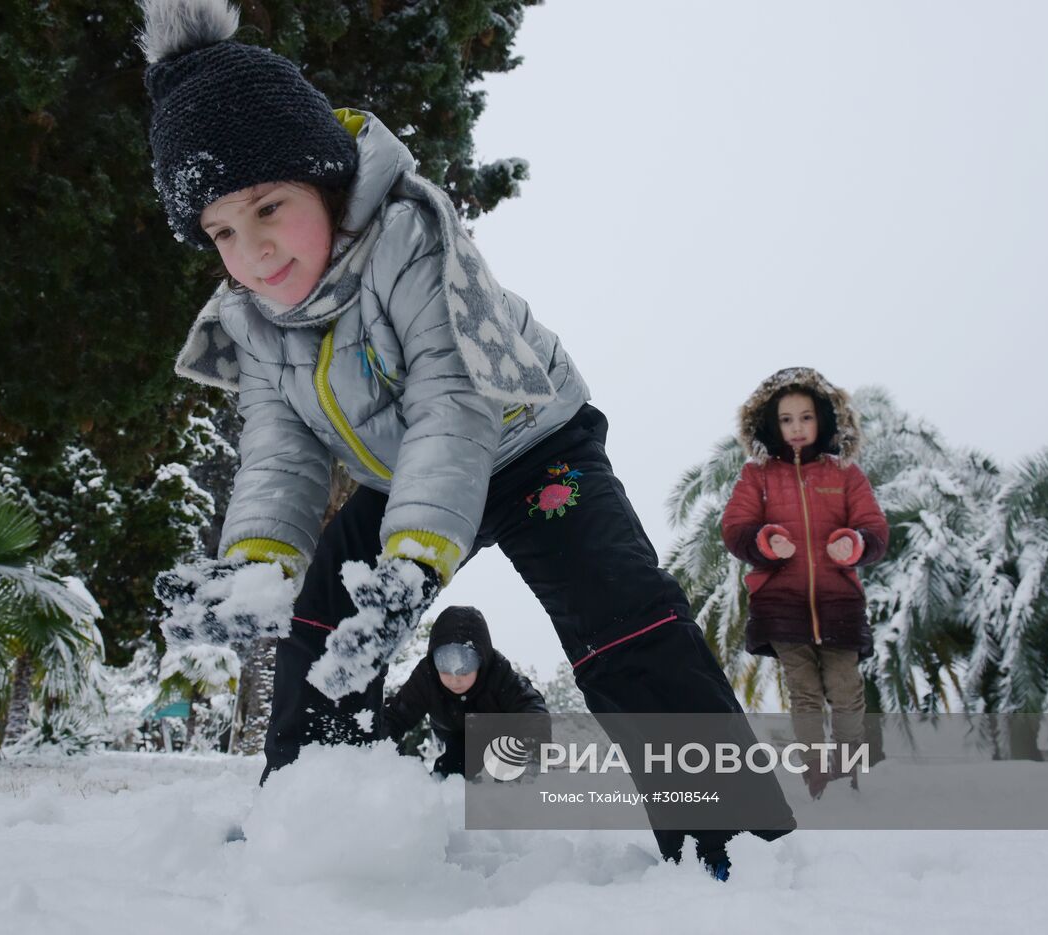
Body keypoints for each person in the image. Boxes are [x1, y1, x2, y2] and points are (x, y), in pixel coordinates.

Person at [141, 0, 792, 873]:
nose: (253, 251)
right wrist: (258, 560)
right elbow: (280, 448)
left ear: (327, 179)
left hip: (530, 444)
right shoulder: (253, 317)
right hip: (405, 470)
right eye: (223, 231)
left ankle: (734, 836)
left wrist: (414, 563)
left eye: (268, 207)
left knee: (621, 620)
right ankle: (307, 815)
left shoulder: (413, 238)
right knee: (323, 618)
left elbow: (456, 403)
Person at [720, 367, 890, 798]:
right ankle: (817, 776)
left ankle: (849, 767)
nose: (797, 427)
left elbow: (874, 528)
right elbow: (735, 528)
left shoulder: (845, 474)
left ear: (826, 420)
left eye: (806, 417)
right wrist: (765, 541)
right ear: (770, 424)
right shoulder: (757, 475)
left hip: (839, 603)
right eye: (786, 419)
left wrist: (853, 544)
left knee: (846, 689)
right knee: (805, 693)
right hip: (781, 602)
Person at [381, 606, 547, 778]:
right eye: (445, 670)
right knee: (451, 772)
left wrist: (532, 753)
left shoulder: (498, 672)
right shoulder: (427, 676)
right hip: (457, 739)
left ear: (481, 661)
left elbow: (531, 709)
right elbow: (395, 716)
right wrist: (377, 752)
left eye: (464, 670)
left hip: (504, 737)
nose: (454, 679)